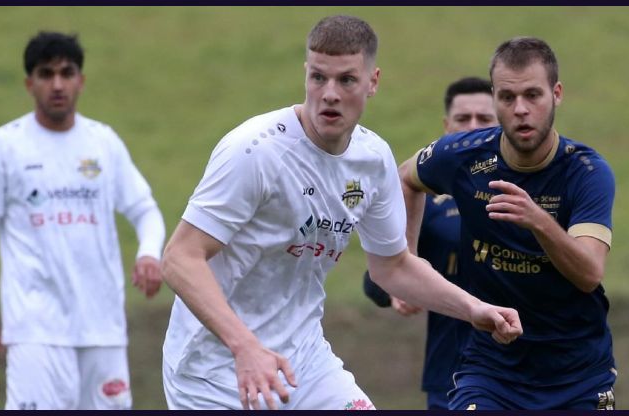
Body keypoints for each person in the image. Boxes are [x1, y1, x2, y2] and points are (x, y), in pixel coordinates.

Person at [159, 15, 522, 411]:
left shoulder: (373, 158)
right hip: (214, 373)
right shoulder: (254, 151)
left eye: (346, 80)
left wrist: (473, 308)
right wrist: (245, 347)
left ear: (373, 82)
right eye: (318, 78)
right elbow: (180, 258)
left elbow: (393, 266)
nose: (329, 94)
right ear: (306, 74)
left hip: (306, 363)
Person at [399, 37, 617, 410]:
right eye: (507, 97)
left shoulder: (587, 173)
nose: (520, 109)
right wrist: (407, 261)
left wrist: (539, 221)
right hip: (489, 371)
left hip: (577, 374)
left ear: (556, 94)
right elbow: (405, 178)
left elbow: (589, 273)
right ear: (495, 98)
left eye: (533, 95)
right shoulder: (464, 156)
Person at [0, 31, 166, 410]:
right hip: (35, 330)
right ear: (30, 83)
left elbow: (145, 210)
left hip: (103, 327)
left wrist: (149, 254)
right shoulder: (6, 145)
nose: (57, 84)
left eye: (66, 73)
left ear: (80, 81)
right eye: (46, 74)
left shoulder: (103, 142)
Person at [362, 76, 498, 409]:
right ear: (446, 126)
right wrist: (396, 292)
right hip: (450, 373)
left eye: (484, 118)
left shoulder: (529, 193)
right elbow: (377, 278)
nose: (472, 127)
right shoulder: (425, 203)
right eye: (463, 118)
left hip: (524, 368)